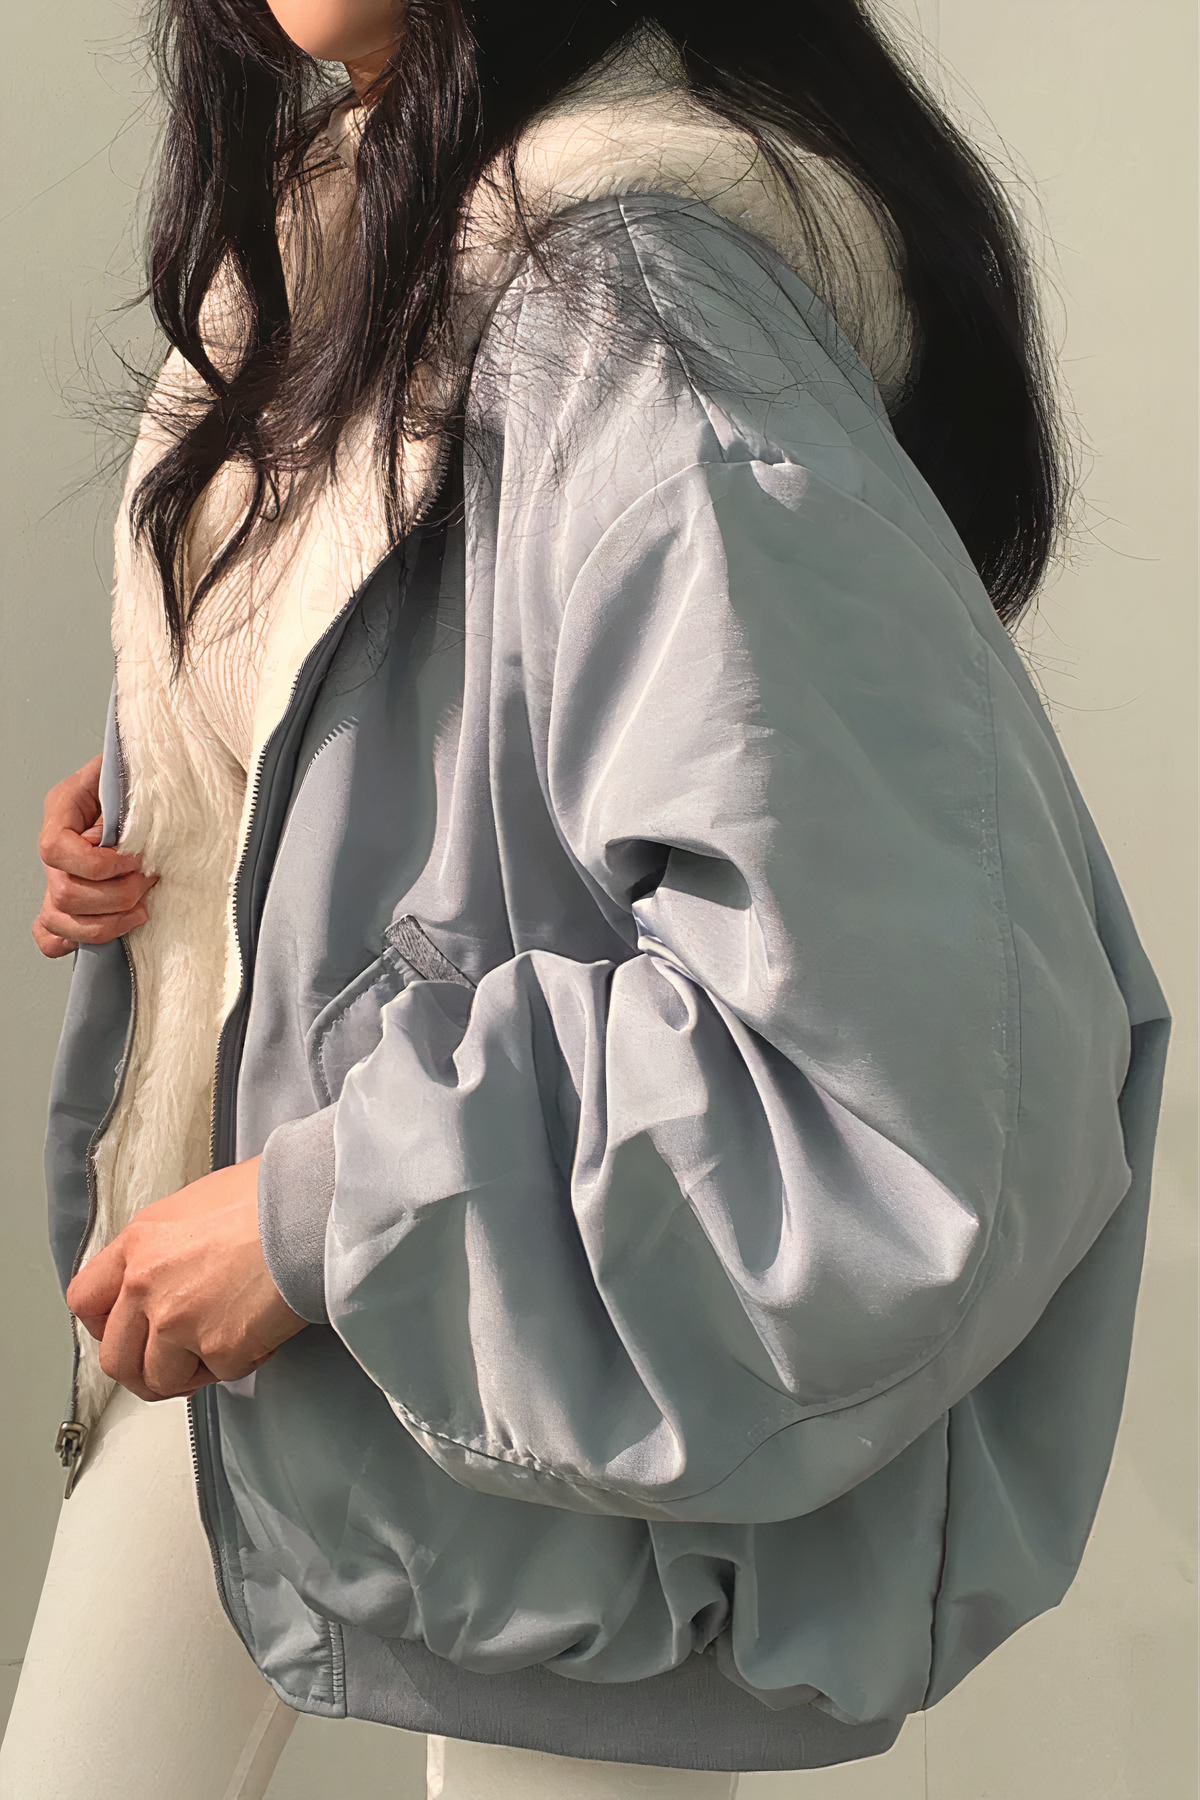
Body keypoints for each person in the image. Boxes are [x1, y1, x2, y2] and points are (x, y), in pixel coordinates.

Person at [3, 1, 1169, 1796]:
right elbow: (433, 740)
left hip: (533, 1376)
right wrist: (195, 813)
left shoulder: (626, 306)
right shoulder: (331, 246)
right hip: (267, 1304)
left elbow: (890, 1055)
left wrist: (326, 1214)